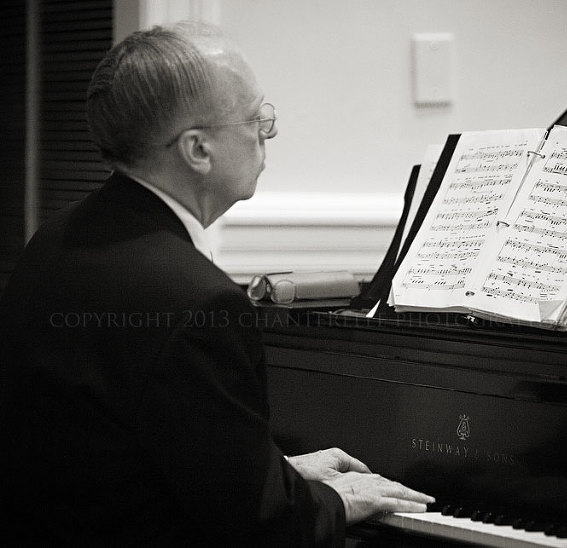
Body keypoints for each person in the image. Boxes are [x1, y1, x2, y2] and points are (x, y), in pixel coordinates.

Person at [0, 20, 433, 546]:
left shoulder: (56, 239)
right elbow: (259, 526)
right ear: (197, 150)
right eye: (256, 120)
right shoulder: (197, 302)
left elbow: (127, 457)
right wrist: (334, 500)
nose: (266, 135)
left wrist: (276, 470)